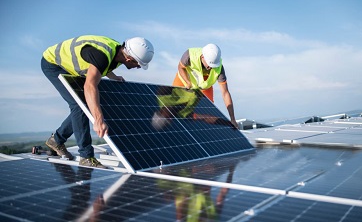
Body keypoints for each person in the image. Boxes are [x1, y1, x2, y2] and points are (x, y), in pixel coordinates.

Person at [41, 35, 154, 168]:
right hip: (53, 64)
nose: (138, 67)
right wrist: (98, 120)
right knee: (79, 105)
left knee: (89, 104)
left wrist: (113, 77)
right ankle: (86, 156)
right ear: (129, 58)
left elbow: (102, 66)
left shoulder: (119, 52)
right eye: (138, 64)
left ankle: (56, 140)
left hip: (70, 67)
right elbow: (90, 85)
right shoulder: (102, 55)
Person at [172, 44, 238, 128]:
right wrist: (188, 82)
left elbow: (225, 93)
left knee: (207, 111)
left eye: (213, 66)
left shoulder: (219, 69)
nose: (210, 68)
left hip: (204, 86)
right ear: (203, 57)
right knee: (175, 109)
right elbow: (180, 67)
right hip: (184, 81)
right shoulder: (189, 55)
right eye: (209, 64)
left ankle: (197, 130)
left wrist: (232, 119)